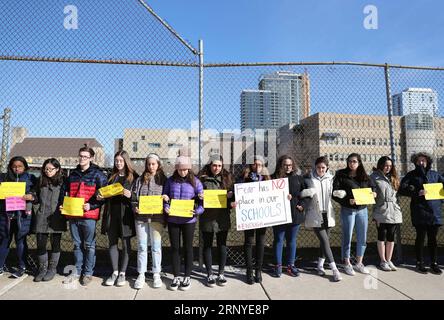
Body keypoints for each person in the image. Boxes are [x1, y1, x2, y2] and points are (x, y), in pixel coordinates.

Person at [63, 144, 107, 286]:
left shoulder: (98, 175)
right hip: (73, 214)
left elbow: (104, 196)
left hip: (89, 215)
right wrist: (64, 205)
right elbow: (66, 193)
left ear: (91, 158)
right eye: (81, 156)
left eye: (85, 157)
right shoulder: (73, 174)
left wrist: (92, 205)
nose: (82, 158)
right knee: (76, 245)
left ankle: (88, 273)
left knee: (89, 245)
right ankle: (77, 271)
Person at [163, 153, 204, 291]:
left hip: (189, 220)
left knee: (188, 248)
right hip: (173, 219)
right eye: (180, 169)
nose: (183, 171)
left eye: (186, 169)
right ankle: (176, 276)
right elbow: (165, 197)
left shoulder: (196, 182)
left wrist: (197, 211)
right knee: (175, 248)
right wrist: (166, 207)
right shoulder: (170, 181)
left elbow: (203, 202)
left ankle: (187, 276)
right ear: (176, 168)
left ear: (189, 169)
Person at [332, 153, 376, 276]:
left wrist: (374, 193)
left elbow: (373, 187)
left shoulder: (364, 176)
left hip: (362, 210)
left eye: (355, 161)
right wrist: (347, 201)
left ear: (359, 163)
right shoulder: (341, 175)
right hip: (348, 210)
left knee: (362, 237)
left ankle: (359, 263)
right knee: (347, 236)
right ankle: (347, 263)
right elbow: (334, 193)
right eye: (350, 161)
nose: (352, 163)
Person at [398, 152, 443, 274]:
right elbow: (402, 188)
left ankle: (434, 263)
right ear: (415, 162)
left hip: (434, 212)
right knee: (420, 238)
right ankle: (420, 262)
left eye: (423, 160)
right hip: (419, 211)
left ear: (428, 161)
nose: (421, 163)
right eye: (419, 161)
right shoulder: (411, 175)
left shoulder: (435, 174)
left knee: (433, 239)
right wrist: (416, 191)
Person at [301, 156, 342, 281]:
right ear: (315, 167)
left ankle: (319, 266)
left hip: (327, 213)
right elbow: (301, 192)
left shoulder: (330, 178)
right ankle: (334, 270)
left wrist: (339, 193)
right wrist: (305, 192)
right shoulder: (308, 178)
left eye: (323, 167)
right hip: (315, 214)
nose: (320, 169)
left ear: (327, 168)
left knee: (325, 243)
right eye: (318, 167)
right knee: (325, 241)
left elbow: (333, 192)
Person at [100, 151, 137, 287]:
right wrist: (100, 196)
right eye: (116, 161)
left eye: (121, 160)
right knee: (112, 243)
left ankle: (123, 273)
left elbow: (139, 197)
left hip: (126, 215)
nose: (118, 163)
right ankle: (114, 272)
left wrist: (131, 195)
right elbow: (104, 192)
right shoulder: (111, 176)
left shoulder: (133, 177)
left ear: (126, 161)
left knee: (126, 244)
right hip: (111, 214)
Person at [131, 153, 167, 289]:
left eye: (153, 164)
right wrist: (135, 207)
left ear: (158, 164)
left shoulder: (164, 180)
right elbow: (134, 197)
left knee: (156, 247)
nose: (151, 166)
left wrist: (165, 199)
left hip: (157, 218)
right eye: (149, 164)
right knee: (142, 246)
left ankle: (156, 273)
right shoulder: (140, 180)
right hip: (141, 218)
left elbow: (168, 196)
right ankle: (141, 274)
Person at [198, 154, 234, 287]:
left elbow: (232, 199)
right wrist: (199, 196)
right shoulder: (201, 178)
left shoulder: (227, 178)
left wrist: (231, 197)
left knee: (222, 245)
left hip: (222, 217)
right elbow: (195, 197)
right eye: (214, 165)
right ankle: (209, 274)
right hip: (207, 218)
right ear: (210, 165)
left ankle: (221, 273)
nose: (216, 168)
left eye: (219, 165)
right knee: (207, 245)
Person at [0, 156, 37, 278]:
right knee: (4, 240)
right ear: (10, 167)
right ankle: (0, 266)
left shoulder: (31, 179)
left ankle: (22, 266)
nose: (17, 168)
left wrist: (31, 196)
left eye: (20, 166)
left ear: (25, 167)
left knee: (21, 241)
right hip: (7, 215)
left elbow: (37, 195)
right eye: (14, 166)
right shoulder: (4, 178)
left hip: (23, 216)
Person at [271, 155, 306, 278]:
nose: (288, 167)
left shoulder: (298, 178)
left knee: (291, 240)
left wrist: (302, 204)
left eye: (290, 165)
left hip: (294, 213)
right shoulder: (274, 178)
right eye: (285, 164)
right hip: (278, 214)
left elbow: (305, 194)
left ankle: (291, 265)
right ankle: (278, 265)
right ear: (280, 165)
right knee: (279, 240)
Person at [238, 156, 270, 285]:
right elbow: (237, 192)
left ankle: (258, 270)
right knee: (249, 242)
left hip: (262, 214)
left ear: (263, 167)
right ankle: (249, 271)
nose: (257, 167)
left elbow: (274, 195)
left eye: (260, 165)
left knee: (261, 242)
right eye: (255, 164)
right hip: (249, 215)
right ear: (251, 165)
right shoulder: (244, 178)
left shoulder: (267, 179)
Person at [33, 158, 66, 282]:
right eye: (45, 169)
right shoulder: (40, 181)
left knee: (55, 243)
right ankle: (42, 269)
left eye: (51, 169)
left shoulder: (63, 182)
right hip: (42, 216)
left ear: (57, 169)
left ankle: (52, 269)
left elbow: (66, 197)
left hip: (56, 217)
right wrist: (32, 196)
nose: (48, 171)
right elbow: (35, 197)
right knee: (41, 244)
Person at [370, 156, 402, 272]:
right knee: (381, 235)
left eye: (390, 165)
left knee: (391, 236)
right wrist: (372, 193)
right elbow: (372, 189)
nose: (388, 168)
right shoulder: (374, 177)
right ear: (380, 165)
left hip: (394, 210)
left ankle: (389, 260)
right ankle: (382, 261)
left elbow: (399, 191)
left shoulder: (394, 177)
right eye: (385, 165)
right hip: (381, 210)